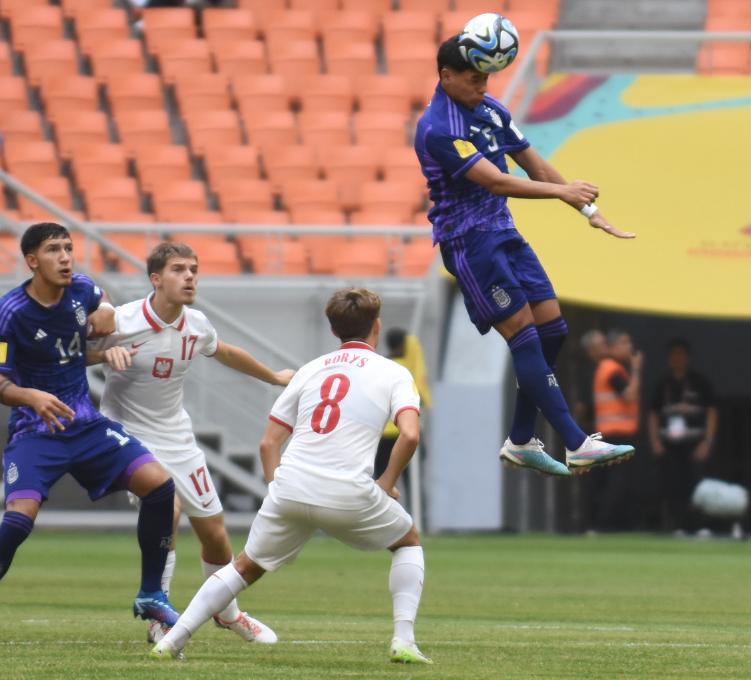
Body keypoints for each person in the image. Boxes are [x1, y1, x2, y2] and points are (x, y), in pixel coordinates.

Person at [151, 288, 431, 665]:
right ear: (376, 327)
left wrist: (277, 491)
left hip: (291, 485)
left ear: (334, 330)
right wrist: (385, 482)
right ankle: (404, 640)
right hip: (349, 491)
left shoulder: (310, 370)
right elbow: (410, 434)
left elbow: (268, 444)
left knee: (244, 567)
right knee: (408, 542)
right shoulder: (395, 372)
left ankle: (172, 641)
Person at [0, 223, 180, 647]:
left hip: (86, 425)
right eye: (54, 249)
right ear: (32, 261)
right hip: (35, 432)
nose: (66, 257)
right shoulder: (8, 312)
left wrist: (106, 320)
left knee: (160, 487)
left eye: (69, 248)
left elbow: (99, 309)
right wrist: (32, 397)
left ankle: (150, 594)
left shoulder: (82, 289)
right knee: (18, 521)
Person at [415, 37, 636, 477]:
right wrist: (563, 191)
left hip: (504, 233)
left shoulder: (492, 110)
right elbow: (496, 181)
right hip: (469, 242)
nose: (483, 85)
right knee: (523, 335)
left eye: (487, 77)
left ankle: (520, 439)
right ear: (446, 76)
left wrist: (588, 211)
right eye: (474, 78)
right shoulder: (437, 126)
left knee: (553, 328)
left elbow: (536, 166)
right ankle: (576, 443)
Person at [90, 241, 291, 645]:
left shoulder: (196, 324)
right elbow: (69, 356)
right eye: (179, 269)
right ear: (156, 279)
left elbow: (226, 352)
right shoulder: (122, 321)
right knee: (169, 506)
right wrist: (100, 357)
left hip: (177, 437)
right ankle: (159, 612)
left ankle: (226, 612)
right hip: (129, 437)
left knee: (215, 534)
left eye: (194, 269)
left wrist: (273, 377)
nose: (189, 277)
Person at [648, 338, 718, 534]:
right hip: (670, 444)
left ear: (688, 358)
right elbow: (653, 414)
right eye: (673, 355)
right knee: (673, 485)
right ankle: (676, 525)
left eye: (681, 355)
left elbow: (712, 411)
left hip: (694, 443)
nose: (677, 359)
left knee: (698, 484)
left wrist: (708, 441)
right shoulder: (663, 384)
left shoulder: (699, 382)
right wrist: (655, 441)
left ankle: (701, 525)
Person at [585, 330, 644, 531]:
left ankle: (599, 524)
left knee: (606, 481)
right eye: (624, 342)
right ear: (613, 348)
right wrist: (637, 370)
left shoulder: (605, 368)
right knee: (618, 483)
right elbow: (629, 395)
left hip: (608, 433)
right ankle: (605, 525)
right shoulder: (613, 369)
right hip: (617, 433)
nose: (629, 347)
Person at [373, 327, 431, 503]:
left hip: (382, 435)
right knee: (412, 481)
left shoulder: (380, 365)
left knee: (380, 479)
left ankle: (379, 514)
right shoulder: (406, 370)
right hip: (404, 432)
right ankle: (416, 518)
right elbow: (419, 395)